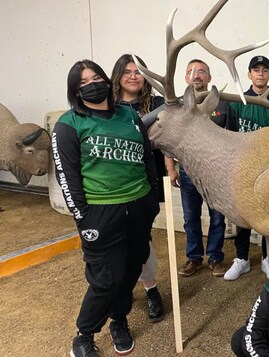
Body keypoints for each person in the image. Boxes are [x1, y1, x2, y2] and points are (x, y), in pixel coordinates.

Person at [53, 59, 160, 357]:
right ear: (75, 90)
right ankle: (84, 334)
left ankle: (119, 321)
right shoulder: (68, 124)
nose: (92, 84)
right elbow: (67, 176)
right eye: (84, 82)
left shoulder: (128, 115)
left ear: (106, 80)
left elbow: (147, 157)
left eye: (96, 77)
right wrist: (82, 217)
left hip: (138, 206)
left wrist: (152, 199)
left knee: (129, 271)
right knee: (105, 279)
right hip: (100, 212)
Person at [111, 54, 165, 323]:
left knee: (141, 237)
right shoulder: (106, 106)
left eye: (138, 71)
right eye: (127, 71)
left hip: (144, 180)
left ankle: (150, 288)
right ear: (117, 75)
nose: (133, 76)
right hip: (112, 184)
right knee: (116, 239)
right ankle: (124, 285)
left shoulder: (156, 103)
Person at [224, 55, 269, 281]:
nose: (261, 73)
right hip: (243, 169)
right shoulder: (237, 101)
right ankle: (241, 259)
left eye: (265, 69)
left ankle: (265, 258)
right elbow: (229, 137)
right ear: (249, 74)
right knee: (242, 217)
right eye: (256, 69)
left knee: (268, 217)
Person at [165, 59, 230, 278]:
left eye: (202, 71)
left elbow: (231, 137)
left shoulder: (220, 104)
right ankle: (194, 258)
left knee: (218, 218)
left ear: (209, 77)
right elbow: (169, 138)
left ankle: (215, 258)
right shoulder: (176, 106)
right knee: (190, 217)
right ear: (185, 77)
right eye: (191, 71)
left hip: (216, 173)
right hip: (187, 171)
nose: (197, 75)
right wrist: (171, 168)